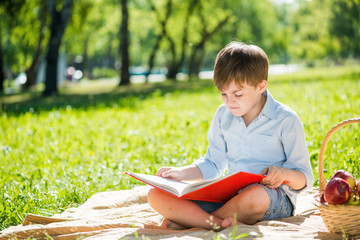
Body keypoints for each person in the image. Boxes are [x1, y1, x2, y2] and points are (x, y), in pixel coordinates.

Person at [147, 41, 314, 231]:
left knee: (255, 196)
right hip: (229, 198)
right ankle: (219, 223)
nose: (229, 102)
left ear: (261, 86)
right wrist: (179, 173)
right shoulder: (223, 115)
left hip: (271, 198)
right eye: (223, 94)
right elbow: (213, 164)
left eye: (238, 94)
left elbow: (305, 177)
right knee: (156, 195)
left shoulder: (286, 119)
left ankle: (193, 221)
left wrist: (283, 174)